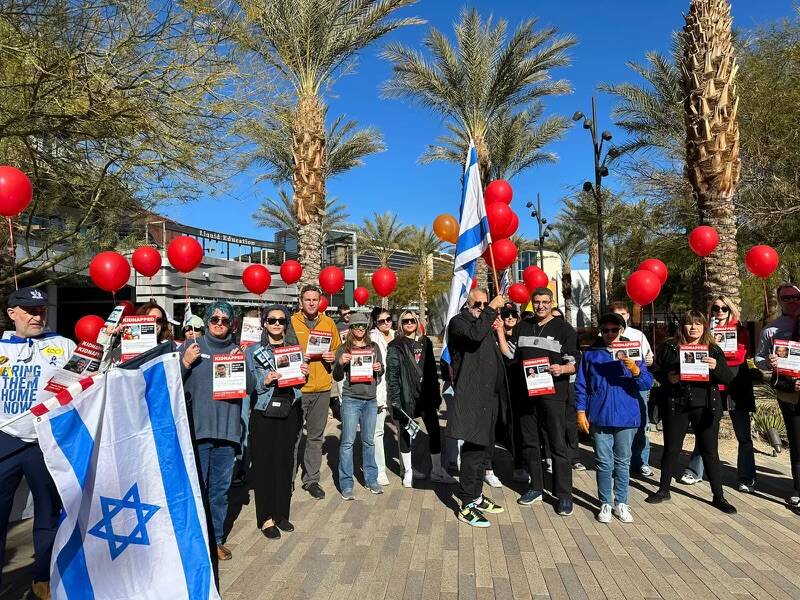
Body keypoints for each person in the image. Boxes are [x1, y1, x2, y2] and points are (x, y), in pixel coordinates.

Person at [0, 287, 76, 600]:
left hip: (45, 441)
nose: (37, 316)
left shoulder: (63, 344)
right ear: (11, 313)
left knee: (48, 513)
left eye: (42, 310)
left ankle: (43, 577)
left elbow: (88, 381)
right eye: (30, 310)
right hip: (5, 440)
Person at [646, 310, 737, 514]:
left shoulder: (713, 349)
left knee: (709, 451)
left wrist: (716, 368)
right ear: (682, 326)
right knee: (671, 448)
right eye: (689, 323)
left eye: (698, 323)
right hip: (677, 403)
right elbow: (657, 370)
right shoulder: (670, 346)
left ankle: (719, 496)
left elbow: (728, 379)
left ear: (704, 326)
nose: (693, 327)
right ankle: (664, 489)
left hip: (705, 405)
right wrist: (668, 377)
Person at [498, 287, 579, 516]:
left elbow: (574, 363)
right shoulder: (524, 325)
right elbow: (513, 356)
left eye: (545, 301)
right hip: (526, 395)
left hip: (553, 395)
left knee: (557, 444)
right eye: (537, 301)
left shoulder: (565, 329)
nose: (541, 305)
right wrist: (500, 334)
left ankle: (564, 494)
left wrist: (561, 368)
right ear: (532, 303)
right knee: (530, 443)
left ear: (551, 302)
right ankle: (536, 487)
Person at [180, 301, 243, 560]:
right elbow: (172, 384)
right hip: (198, 432)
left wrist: (239, 362)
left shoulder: (236, 350)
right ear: (206, 321)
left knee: (219, 492)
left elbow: (249, 387)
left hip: (227, 433)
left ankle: (215, 539)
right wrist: (185, 362)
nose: (219, 323)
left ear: (231, 324)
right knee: (197, 489)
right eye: (214, 319)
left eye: (224, 320)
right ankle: (194, 542)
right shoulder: (191, 346)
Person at [575, 313, 653, 524]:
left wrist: (636, 370)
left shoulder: (634, 351)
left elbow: (646, 383)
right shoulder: (591, 354)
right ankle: (605, 503)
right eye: (605, 330)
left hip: (626, 416)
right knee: (603, 462)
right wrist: (580, 411)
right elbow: (581, 385)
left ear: (621, 330)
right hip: (599, 416)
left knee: (622, 462)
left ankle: (621, 502)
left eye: (614, 330)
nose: (609, 334)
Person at [445, 288, 509, 527]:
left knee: (485, 451)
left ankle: (476, 494)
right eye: (478, 304)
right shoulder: (459, 323)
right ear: (468, 305)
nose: (482, 308)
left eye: (485, 305)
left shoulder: (486, 324)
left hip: (490, 397)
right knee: (473, 451)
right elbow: (472, 336)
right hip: (472, 397)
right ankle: (466, 503)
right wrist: (491, 308)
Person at [243, 306, 308, 539]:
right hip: (264, 413)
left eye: (281, 320)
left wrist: (303, 373)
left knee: (284, 464)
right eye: (272, 320)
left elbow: (300, 385)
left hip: (289, 411)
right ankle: (266, 518)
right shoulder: (253, 351)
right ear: (264, 323)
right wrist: (265, 380)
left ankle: (281, 514)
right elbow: (249, 384)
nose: (277, 324)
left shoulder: (294, 349)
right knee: (264, 466)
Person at [681, 296, 756, 492]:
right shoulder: (706, 331)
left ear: (731, 310)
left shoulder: (741, 330)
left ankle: (746, 477)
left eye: (724, 308)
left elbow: (740, 356)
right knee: (705, 430)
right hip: (712, 387)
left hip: (736, 386)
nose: (720, 312)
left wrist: (716, 354)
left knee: (743, 435)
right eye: (716, 308)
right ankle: (695, 470)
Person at [387, 311, 456, 488]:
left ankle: (437, 470)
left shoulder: (426, 342)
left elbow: (432, 371)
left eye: (412, 320)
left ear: (417, 323)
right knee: (405, 433)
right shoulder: (395, 345)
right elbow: (392, 375)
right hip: (406, 397)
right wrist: (395, 399)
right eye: (405, 321)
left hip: (426, 396)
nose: (409, 323)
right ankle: (408, 471)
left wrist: (436, 394)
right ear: (401, 325)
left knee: (434, 431)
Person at [291, 285, 341, 500]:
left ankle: (311, 480)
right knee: (292, 437)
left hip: (322, 389)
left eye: (314, 299)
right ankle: (287, 479)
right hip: (298, 389)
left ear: (320, 301)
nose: (311, 303)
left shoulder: (328, 323)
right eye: (307, 299)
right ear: (300, 301)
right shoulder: (292, 322)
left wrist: (333, 356)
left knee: (315, 437)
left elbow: (339, 349)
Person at [333, 312, 384, 499]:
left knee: (369, 441)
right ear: (351, 328)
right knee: (347, 442)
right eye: (356, 326)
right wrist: (340, 362)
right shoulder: (343, 348)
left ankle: (371, 479)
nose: (360, 329)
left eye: (363, 325)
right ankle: (346, 484)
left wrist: (379, 369)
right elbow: (337, 376)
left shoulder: (374, 347)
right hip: (351, 399)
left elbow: (380, 372)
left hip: (370, 400)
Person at [609, 301, 655, 477]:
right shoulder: (607, 333)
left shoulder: (638, 335)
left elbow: (649, 358)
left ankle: (642, 461)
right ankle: (620, 462)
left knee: (642, 424)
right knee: (618, 425)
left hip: (638, 383)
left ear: (628, 315)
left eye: (623, 314)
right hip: (617, 385)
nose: (621, 317)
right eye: (616, 313)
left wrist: (648, 361)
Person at [766, 311, 800, 507]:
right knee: (797, 446)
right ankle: (798, 489)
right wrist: (792, 385)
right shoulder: (786, 347)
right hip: (793, 401)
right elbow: (776, 380)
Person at [369, 307, 395, 485]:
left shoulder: (398, 334)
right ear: (375, 323)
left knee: (403, 431)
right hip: (380, 389)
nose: (385, 323)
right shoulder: (372, 338)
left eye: (388, 319)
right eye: (381, 321)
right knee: (378, 432)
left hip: (398, 390)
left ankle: (407, 468)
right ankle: (380, 469)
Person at [755, 283, 800, 372]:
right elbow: (758, 357)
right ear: (779, 301)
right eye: (786, 298)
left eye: (796, 297)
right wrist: (767, 363)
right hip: (785, 381)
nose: (792, 300)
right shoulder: (769, 330)